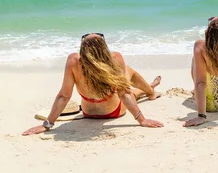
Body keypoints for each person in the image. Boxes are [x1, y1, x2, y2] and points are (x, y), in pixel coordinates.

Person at [23, 33, 163, 135]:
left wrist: (47, 125)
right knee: (128, 74)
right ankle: (151, 92)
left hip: (88, 112)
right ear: (103, 47)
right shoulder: (115, 58)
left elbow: (64, 96)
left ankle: (150, 90)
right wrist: (142, 120)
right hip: (113, 112)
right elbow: (124, 93)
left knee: (128, 88)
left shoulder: (73, 61)